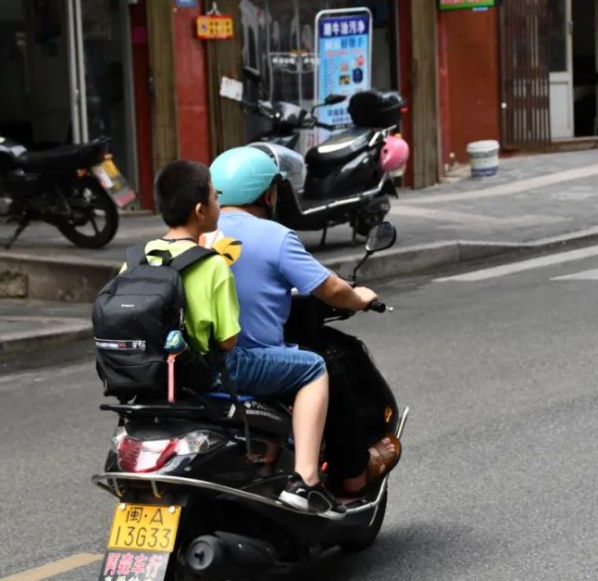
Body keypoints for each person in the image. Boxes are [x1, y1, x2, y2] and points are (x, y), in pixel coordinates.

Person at [208, 147, 399, 507]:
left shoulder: (196, 235)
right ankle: (339, 478)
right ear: (268, 193)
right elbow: (329, 288)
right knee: (325, 370)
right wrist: (359, 297)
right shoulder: (274, 236)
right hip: (250, 362)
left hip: (196, 363)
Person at [125, 160, 240, 361]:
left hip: (142, 369)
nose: (218, 203)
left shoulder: (136, 260)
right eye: (215, 197)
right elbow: (227, 342)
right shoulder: (213, 265)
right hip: (197, 373)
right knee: (311, 366)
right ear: (200, 211)